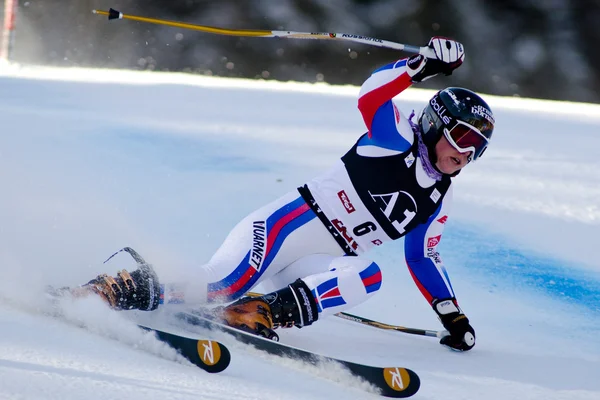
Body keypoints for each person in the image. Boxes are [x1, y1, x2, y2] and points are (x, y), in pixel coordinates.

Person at [76, 36, 494, 352]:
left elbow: (422, 256)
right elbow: (371, 93)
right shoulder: (396, 134)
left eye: (475, 148)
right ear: (436, 123)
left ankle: (257, 311)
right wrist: (419, 66)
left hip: (320, 258)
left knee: (367, 275)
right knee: (222, 281)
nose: (463, 153)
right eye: (460, 137)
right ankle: (118, 289)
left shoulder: (440, 198)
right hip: (290, 226)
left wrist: (451, 315)